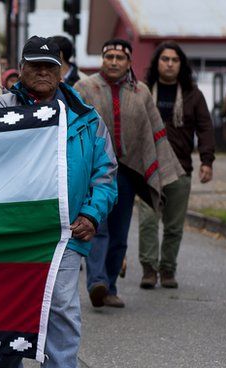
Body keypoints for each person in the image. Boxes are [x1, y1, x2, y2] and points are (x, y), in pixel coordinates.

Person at [0, 35, 117, 368]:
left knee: (61, 306)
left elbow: (106, 174)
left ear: (62, 71)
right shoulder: (0, 108)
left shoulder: (86, 118)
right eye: (34, 66)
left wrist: (91, 215)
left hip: (66, 231)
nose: (42, 72)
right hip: (14, 229)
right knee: (13, 303)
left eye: (50, 66)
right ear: (21, 69)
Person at [74, 39, 183, 309]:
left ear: (129, 62)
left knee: (120, 233)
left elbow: (153, 131)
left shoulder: (141, 91)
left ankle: (110, 286)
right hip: (93, 172)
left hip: (127, 172)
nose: (113, 61)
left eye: (119, 58)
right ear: (102, 58)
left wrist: (164, 169)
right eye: (108, 56)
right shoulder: (84, 88)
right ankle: (96, 282)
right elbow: (71, 126)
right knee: (97, 226)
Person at [137, 41, 215, 289]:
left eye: (174, 60)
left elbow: (205, 128)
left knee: (173, 225)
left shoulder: (193, 94)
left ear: (181, 64)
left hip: (180, 167)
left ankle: (168, 270)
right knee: (148, 220)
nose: (169, 64)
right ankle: (149, 269)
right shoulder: (143, 91)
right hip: (149, 168)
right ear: (157, 62)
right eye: (164, 59)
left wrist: (207, 161)